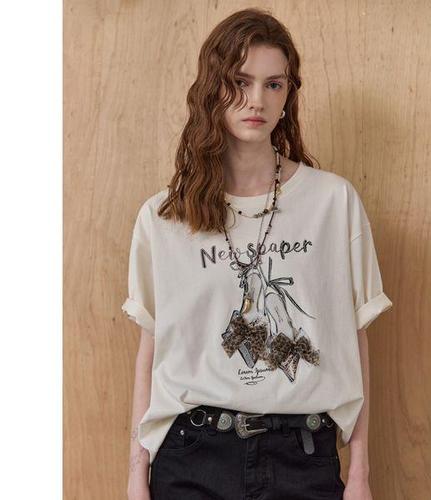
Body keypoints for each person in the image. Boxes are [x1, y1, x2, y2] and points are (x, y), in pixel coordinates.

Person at [123, 8, 392, 500]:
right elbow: (152, 347)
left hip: (302, 455)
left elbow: (355, 338)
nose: (257, 100)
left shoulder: (333, 202)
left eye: (274, 84)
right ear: (213, 89)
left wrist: (360, 473)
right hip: (192, 456)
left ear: (288, 95)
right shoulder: (164, 217)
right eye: (240, 82)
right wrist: (136, 472)